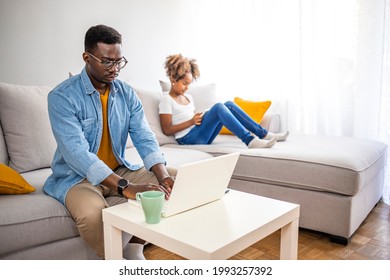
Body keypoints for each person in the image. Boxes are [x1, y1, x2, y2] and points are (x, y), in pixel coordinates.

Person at [43, 25, 176, 260]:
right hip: (77, 177)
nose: (115, 69)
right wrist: (126, 187)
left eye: (119, 62)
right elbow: (77, 154)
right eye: (107, 62)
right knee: (93, 214)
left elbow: (144, 136)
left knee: (177, 183)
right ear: (87, 57)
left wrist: (163, 175)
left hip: (118, 168)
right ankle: (114, 262)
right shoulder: (61, 97)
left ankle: (135, 248)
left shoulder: (126, 93)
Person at [159, 54, 289, 148]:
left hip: (199, 134)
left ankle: (264, 134)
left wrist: (199, 118)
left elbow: (193, 120)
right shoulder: (166, 100)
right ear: (173, 79)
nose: (187, 88)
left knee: (229, 105)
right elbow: (167, 130)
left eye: (189, 84)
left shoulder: (189, 98)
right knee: (218, 107)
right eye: (184, 83)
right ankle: (249, 140)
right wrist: (191, 121)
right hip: (186, 139)